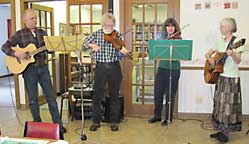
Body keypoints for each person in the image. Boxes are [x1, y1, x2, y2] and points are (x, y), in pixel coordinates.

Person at [1, 9, 66, 135]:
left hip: (44, 68)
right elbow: (5, 47)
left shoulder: (42, 32)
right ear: (25, 20)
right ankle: (37, 124)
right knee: (33, 100)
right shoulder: (19, 34)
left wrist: (54, 47)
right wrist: (17, 53)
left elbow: (49, 50)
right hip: (29, 71)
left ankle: (58, 125)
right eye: (32, 18)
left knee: (51, 98)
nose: (35, 20)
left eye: (35, 18)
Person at [83, 13, 130, 132]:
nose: (109, 27)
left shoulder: (117, 34)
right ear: (102, 24)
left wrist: (123, 52)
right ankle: (96, 121)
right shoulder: (96, 34)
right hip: (100, 67)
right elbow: (83, 44)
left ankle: (114, 121)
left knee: (114, 95)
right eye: (107, 25)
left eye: (111, 25)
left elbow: (119, 54)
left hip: (114, 66)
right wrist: (91, 45)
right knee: (97, 96)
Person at [206, 18, 243, 143]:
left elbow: (238, 60)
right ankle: (221, 130)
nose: (220, 28)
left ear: (228, 27)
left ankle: (226, 134)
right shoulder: (219, 41)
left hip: (232, 78)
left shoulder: (237, 41)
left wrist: (232, 54)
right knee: (220, 104)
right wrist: (210, 59)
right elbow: (208, 54)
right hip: (220, 77)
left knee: (228, 106)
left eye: (222, 26)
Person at [148, 18, 181, 126]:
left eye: (172, 26)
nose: (170, 28)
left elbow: (180, 53)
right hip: (162, 68)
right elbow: (155, 52)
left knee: (170, 95)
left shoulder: (179, 39)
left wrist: (173, 42)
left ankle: (168, 118)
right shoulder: (161, 39)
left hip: (174, 69)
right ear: (165, 28)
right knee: (158, 93)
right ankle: (157, 116)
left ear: (175, 28)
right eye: (168, 26)